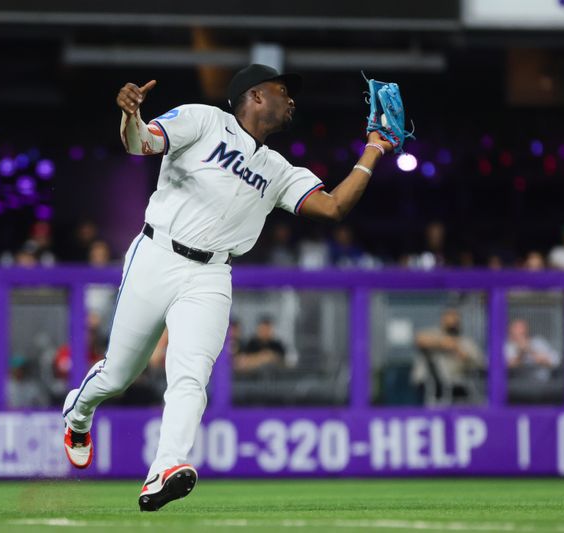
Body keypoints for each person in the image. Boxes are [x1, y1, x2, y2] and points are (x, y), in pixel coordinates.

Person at [61, 64, 394, 511]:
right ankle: (78, 414)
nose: (290, 99)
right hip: (157, 254)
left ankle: (164, 468)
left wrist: (373, 149)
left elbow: (332, 207)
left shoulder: (279, 169)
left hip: (212, 274)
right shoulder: (203, 119)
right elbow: (142, 143)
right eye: (282, 91)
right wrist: (131, 115)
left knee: (191, 374)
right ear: (255, 96)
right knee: (118, 375)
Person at [411, 308, 484, 405]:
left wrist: (460, 352)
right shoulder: (433, 334)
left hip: (457, 386)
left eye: (455, 319)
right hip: (428, 386)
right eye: (449, 318)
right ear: (442, 319)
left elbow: (480, 362)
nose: (452, 322)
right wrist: (443, 343)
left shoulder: (466, 342)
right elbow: (419, 339)